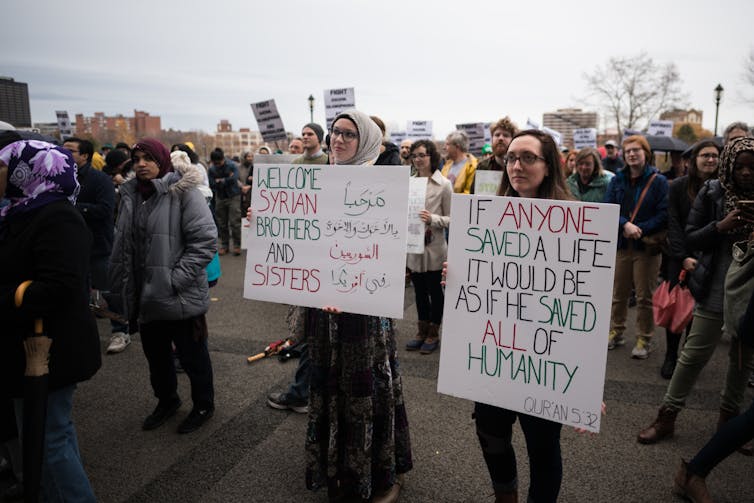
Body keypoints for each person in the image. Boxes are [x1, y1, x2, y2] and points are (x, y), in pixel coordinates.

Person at [306, 110, 412, 502]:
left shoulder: (383, 187)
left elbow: (391, 251)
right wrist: (268, 221)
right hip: (324, 310)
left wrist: (352, 288)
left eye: (348, 134)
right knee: (330, 386)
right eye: (335, 132)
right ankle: (335, 469)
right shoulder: (315, 182)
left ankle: (378, 474)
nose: (337, 139)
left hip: (364, 314)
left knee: (363, 390)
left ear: (365, 141)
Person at [465, 129, 574, 502]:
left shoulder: (574, 224)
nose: (516, 165)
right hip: (495, 353)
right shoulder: (488, 217)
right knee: (491, 435)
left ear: (549, 165)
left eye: (528, 157)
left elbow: (581, 308)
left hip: (544, 361)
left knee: (543, 448)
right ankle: (505, 496)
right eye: (511, 157)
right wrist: (458, 277)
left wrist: (587, 379)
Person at [0, 137, 101, 502]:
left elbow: (61, 286)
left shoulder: (57, 215)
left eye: (2, 166)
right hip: (25, 344)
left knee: (48, 438)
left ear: (27, 170)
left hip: (48, 348)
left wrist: (8, 294)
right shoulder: (20, 210)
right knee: (48, 433)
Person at [636, 138, 751, 446]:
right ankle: (667, 416)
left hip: (749, 294)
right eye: (739, 166)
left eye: (752, 168)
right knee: (692, 356)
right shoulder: (712, 192)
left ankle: (728, 424)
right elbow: (692, 237)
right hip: (714, 286)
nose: (745, 173)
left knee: (741, 361)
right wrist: (721, 226)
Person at [109, 139, 217, 434]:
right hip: (146, 297)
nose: (141, 164)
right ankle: (167, 401)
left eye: (148, 158)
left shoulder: (184, 192)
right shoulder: (130, 194)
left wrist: (174, 280)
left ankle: (203, 404)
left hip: (178, 295)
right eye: (136, 158)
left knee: (193, 357)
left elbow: (205, 241)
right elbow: (125, 243)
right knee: (157, 358)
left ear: (162, 160)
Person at [604, 135, 668, 358]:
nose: (631, 154)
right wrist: (625, 225)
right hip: (622, 244)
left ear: (646, 153)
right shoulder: (617, 180)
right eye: (628, 150)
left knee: (644, 296)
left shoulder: (659, 181)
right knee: (618, 294)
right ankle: (617, 330)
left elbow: (663, 213)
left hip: (646, 247)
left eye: (636, 150)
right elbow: (609, 207)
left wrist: (640, 228)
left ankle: (644, 337)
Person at [661, 140, 720, 379]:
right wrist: (683, 256)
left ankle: (687, 356)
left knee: (699, 312)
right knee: (677, 308)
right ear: (693, 160)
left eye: (715, 155)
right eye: (705, 155)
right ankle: (671, 355)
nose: (710, 159)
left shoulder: (724, 188)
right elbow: (673, 224)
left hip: (710, 259)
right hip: (679, 257)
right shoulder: (678, 187)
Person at [405, 140, 451, 354]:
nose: (417, 159)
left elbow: (453, 218)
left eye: (422, 155)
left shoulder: (444, 184)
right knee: (419, 293)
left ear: (432, 156)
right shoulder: (410, 183)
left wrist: (432, 218)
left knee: (435, 291)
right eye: (414, 155)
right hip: (413, 245)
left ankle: (433, 333)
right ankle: (421, 331)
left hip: (434, 246)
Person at [209, 148, 242, 255]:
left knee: (234, 222)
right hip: (220, 197)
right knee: (222, 224)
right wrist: (227, 179)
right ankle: (224, 245)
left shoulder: (232, 165)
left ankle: (237, 246)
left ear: (223, 159)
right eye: (215, 163)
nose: (217, 165)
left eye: (219, 163)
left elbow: (235, 178)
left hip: (233, 196)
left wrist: (221, 180)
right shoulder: (211, 169)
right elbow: (212, 183)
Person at [473, 117, 517, 194]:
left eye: (506, 135)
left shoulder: (518, 166)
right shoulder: (482, 166)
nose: (500, 138)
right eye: (497, 135)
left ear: (513, 139)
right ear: (492, 139)